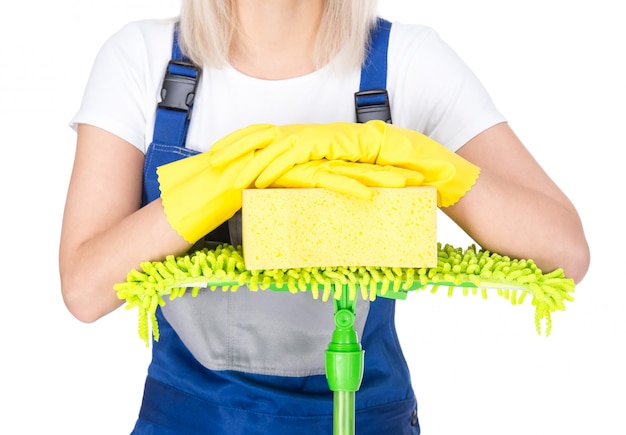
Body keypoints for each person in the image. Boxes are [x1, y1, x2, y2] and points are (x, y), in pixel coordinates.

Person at [59, 1, 590, 434]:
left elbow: (563, 252)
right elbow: (84, 290)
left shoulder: (407, 60)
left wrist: (432, 166)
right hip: (186, 421)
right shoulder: (142, 59)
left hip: (368, 421)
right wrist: (221, 182)